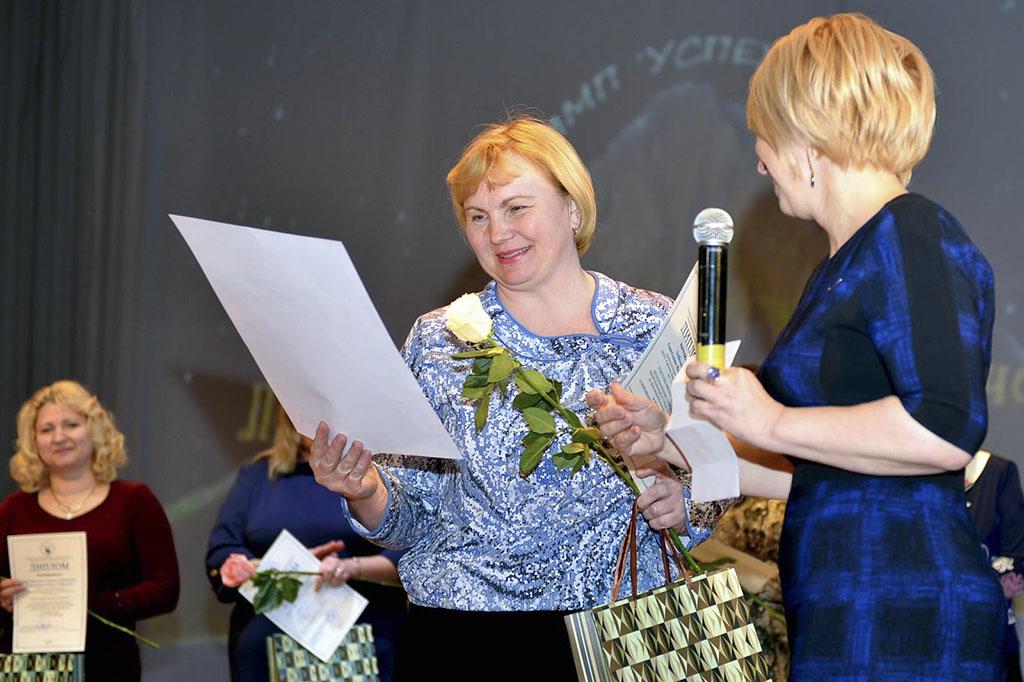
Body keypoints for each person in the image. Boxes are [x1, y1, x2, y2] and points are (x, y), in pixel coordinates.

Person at [589, 13, 1005, 680]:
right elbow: (821, 472)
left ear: (808, 135)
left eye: (765, 134)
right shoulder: (844, 263)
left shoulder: (911, 234)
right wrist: (672, 441)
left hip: (903, 616)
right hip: (849, 611)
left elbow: (943, 427)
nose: (759, 160)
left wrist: (772, 419)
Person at [309, 116, 730, 677]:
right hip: (467, 637)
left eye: (516, 208)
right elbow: (410, 519)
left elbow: (720, 467)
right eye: (477, 216)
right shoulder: (439, 341)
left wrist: (687, 502)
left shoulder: (655, 324)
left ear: (572, 208)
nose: (498, 233)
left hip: (632, 631)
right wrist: (366, 492)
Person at [206, 406, 407, 682]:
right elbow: (222, 553)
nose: (323, 425)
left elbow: (409, 555)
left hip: (362, 648)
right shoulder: (259, 475)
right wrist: (282, 566)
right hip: (267, 651)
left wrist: (351, 567)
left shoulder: (379, 478)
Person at [0, 380, 179, 681]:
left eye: (71, 425)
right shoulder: (14, 509)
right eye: (46, 429)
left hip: (109, 664)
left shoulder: (134, 501)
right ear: (33, 441)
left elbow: (165, 590)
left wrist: (91, 602)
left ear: (94, 430)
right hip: (29, 667)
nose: (59, 437)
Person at [966, 450, 1024, 681]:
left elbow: (1015, 555)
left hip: (989, 631)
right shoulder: (915, 472)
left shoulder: (998, 472)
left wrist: (1000, 578)